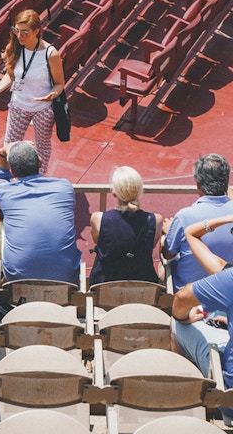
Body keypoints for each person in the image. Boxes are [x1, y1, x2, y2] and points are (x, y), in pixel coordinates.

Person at [0, 9, 65, 175]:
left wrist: (52, 94)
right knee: (9, 145)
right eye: (17, 30)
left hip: (43, 109)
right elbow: (11, 75)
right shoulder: (15, 47)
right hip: (19, 105)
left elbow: (60, 83)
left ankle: (39, 180)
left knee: (42, 147)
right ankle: (5, 181)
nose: (20, 35)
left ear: (37, 31)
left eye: (25, 32)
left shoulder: (51, 55)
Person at [0, 140, 81, 283]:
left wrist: (3, 153)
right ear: (40, 163)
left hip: (18, 282)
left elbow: (0, 175)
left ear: (13, 172)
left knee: (2, 229)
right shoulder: (64, 187)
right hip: (65, 281)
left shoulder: (5, 192)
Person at [172, 214, 233, 398]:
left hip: (229, 395)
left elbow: (182, 299)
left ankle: (179, 393)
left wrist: (227, 218)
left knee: (176, 324)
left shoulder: (229, 277)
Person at [162, 153, 233, 291]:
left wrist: (169, 232)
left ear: (198, 184)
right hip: (227, 293)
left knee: (165, 258)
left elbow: (168, 253)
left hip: (192, 296)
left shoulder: (184, 216)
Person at [89, 166, 163, 285]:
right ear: (139, 191)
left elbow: (97, 240)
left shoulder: (98, 219)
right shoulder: (156, 220)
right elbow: (151, 245)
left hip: (104, 287)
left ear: (114, 193)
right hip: (143, 286)